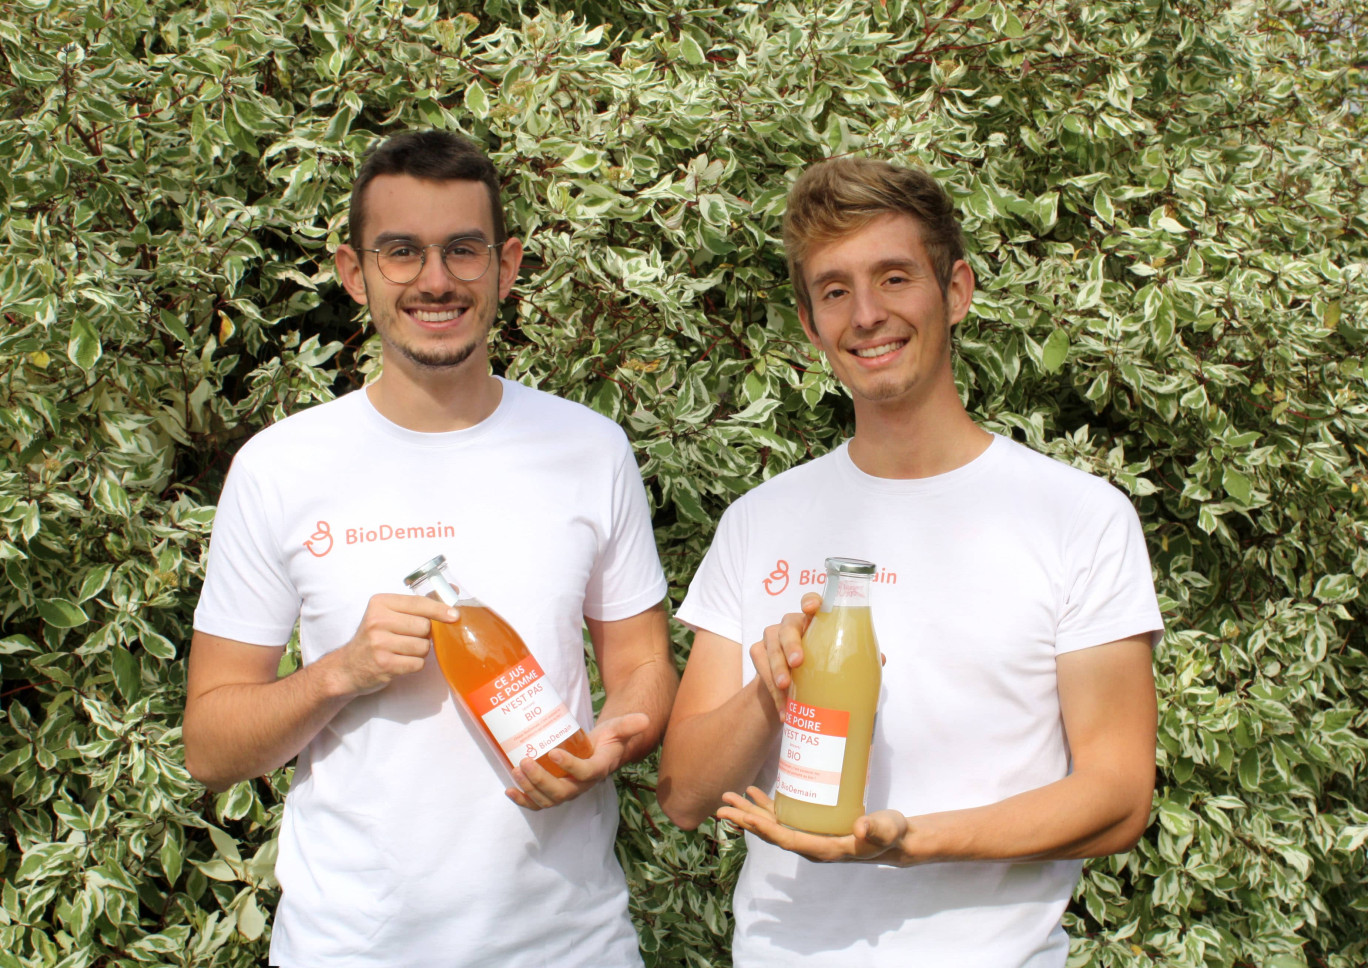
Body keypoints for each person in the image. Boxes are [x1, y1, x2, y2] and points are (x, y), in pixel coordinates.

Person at [183, 129, 676, 968]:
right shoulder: (281, 468)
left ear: (507, 265)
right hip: (352, 950)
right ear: (354, 271)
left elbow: (645, 668)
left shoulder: (589, 448)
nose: (435, 280)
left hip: (568, 947)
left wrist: (615, 742)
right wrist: (339, 671)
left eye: (463, 251)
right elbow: (210, 745)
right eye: (401, 252)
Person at [657, 156, 1163, 967]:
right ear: (810, 322)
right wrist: (769, 692)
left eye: (894, 278)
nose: (867, 314)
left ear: (954, 291)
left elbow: (1117, 796)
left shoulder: (1079, 518)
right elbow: (683, 796)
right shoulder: (761, 521)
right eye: (834, 290)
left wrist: (908, 842)